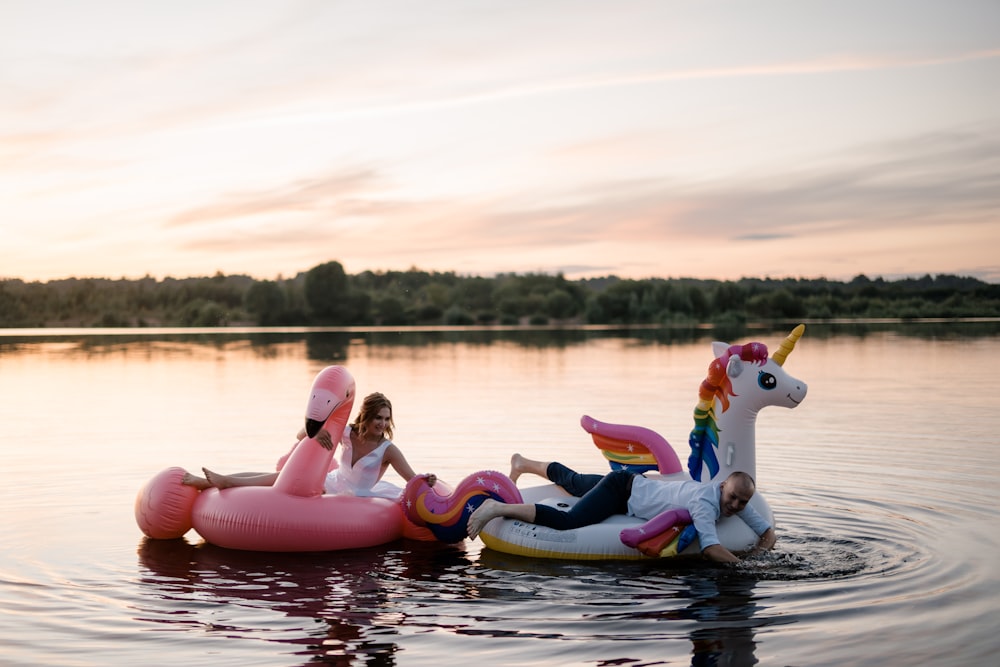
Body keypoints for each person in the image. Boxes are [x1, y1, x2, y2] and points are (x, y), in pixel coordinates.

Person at [467, 454, 775, 563]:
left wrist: (762, 552)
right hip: (622, 492)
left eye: (741, 502)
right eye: (732, 497)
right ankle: (496, 508)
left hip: (629, 483)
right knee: (568, 520)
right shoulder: (706, 503)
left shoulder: (735, 498)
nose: (735, 505)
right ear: (723, 486)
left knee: (573, 482)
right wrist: (744, 566)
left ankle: (522, 463)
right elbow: (710, 548)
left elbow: (768, 532)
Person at [183, 392, 433, 498]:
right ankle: (217, 481)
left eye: (386, 418)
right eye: (378, 417)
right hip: (334, 482)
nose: (382, 423)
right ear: (366, 416)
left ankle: (222, 482)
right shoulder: (347, 433)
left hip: (357, 496)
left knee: (283, 478)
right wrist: (319, 430)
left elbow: (412, 478)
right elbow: (300, 434)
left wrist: (427, 479)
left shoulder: (387, 449)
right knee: (281, 476)